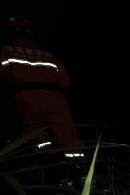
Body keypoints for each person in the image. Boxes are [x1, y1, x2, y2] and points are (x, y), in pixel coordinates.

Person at [0, 17, 82, 156]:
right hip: (56, 99)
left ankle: (46, 164)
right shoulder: (49, 55)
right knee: (67, 135)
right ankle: (78, 168)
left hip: (26, 97)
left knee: (37, 135)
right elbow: (65, 82)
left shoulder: (5, 51)